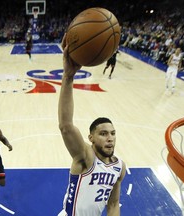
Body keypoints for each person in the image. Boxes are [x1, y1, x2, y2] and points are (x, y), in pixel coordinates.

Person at [58, 34, 126, 216]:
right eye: (103, 134)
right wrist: (68, 77)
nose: (110, 137)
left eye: (112, 133)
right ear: (91, 138)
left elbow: (113, 204)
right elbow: (65, 126)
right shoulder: (85, 157)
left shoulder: (120, 167)